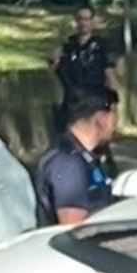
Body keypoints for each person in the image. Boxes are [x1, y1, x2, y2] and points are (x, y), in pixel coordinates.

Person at [33, 84, 120, 227]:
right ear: (100, 119)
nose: (116, 122)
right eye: (114, 113)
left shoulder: (86, 156)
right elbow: (73, 228)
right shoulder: (68, 164)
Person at [49, 5, 121, 132]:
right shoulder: (68, 46)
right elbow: (55, 67)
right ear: (76, 21)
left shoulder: (101, 46)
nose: (83, 23)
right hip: (73, 100)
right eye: (80, 19)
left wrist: (113, 103)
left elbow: (110, 74)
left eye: (87, 19)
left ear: (92, 21)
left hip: (94, 98)